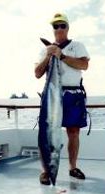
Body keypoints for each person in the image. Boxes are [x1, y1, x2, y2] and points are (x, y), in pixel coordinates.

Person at [35, 13, 90, 185]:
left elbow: (84, 65)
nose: (58, 29)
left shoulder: (77, 46)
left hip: (72, 96)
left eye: (62, 25)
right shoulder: (46, 50)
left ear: (67, 27)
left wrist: (62, 56)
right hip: (51, 96)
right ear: (53, 29)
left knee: (73, 132)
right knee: (46, 133)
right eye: (55, 26)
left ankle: (72, 167)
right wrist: (49, 55)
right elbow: (37, 73)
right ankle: (46, 171)